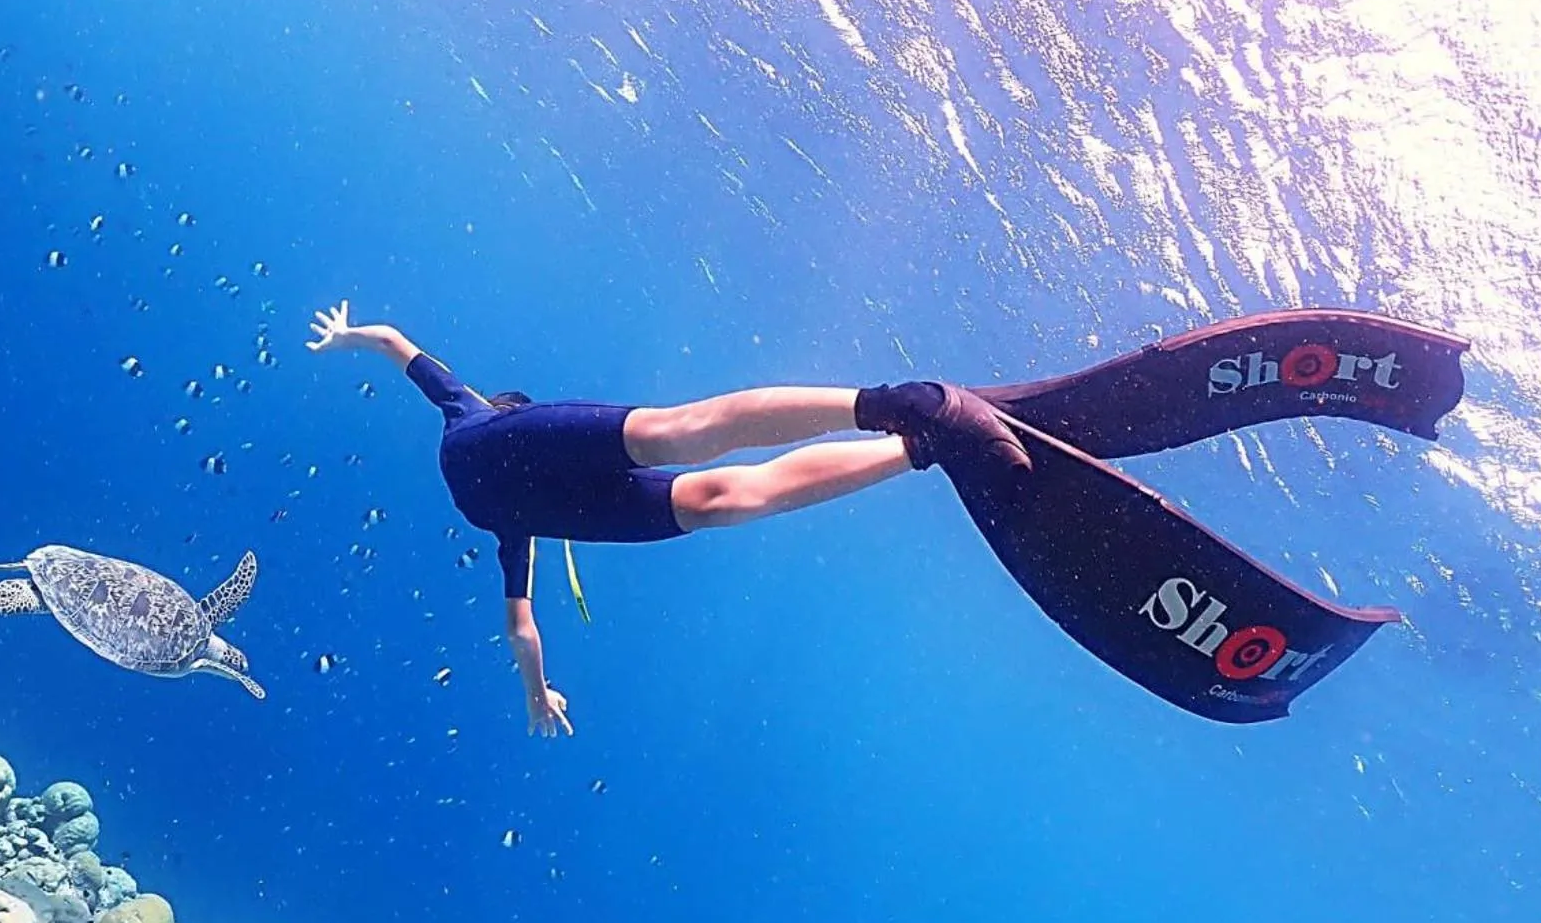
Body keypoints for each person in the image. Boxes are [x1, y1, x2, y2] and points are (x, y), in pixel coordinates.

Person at [305, 298, 1029, 736]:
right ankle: (897, 416)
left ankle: (914, 445)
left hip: (527, 488)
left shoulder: (487, 483)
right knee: (683, 436)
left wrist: (536, 694)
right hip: (531, 461)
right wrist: (351, 336)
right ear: (513, 403)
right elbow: (396, 342)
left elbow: (520, 628)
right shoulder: (476, 421)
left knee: (718, 495)